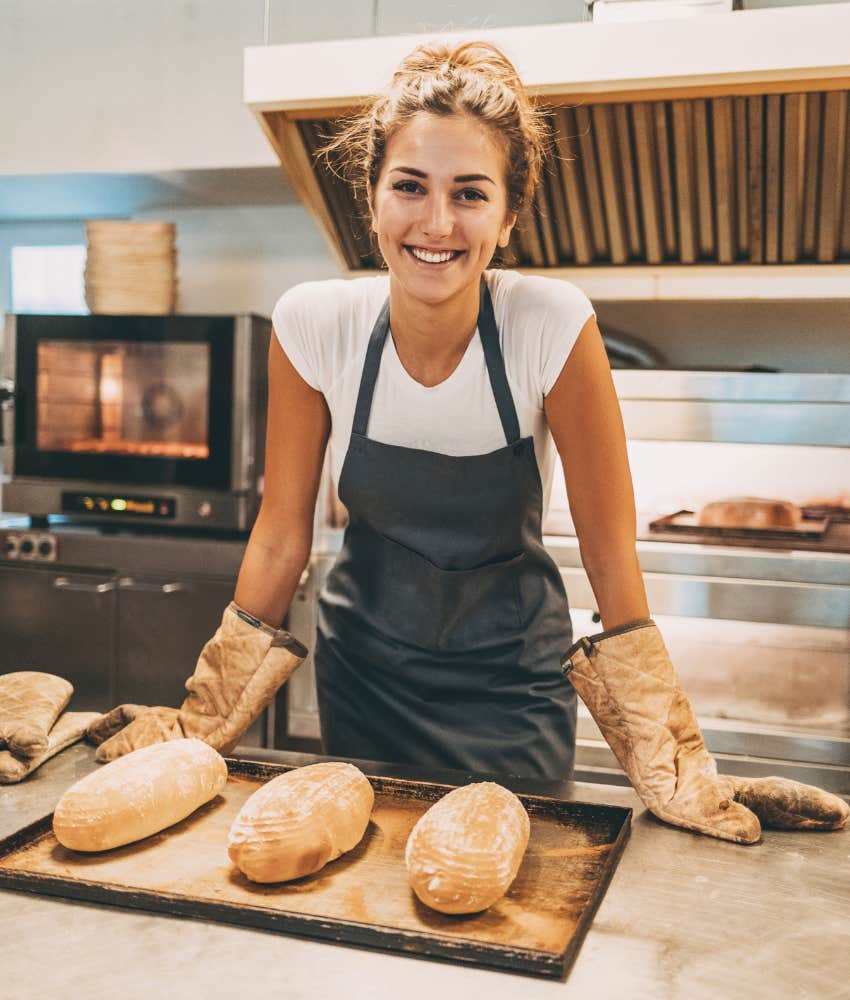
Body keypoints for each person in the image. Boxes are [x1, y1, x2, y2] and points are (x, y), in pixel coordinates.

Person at [87, 41, 848, 845]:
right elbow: (280, 533)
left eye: (470, 194)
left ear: (508, 217)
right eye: (409, 186)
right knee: (363, 884)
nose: (437, 223)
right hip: (366, 679)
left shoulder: (549, 326)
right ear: (372, 199)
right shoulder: (315, 326)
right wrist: (203, 724)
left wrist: (668, 754)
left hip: (512, 689)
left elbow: (608, 552)